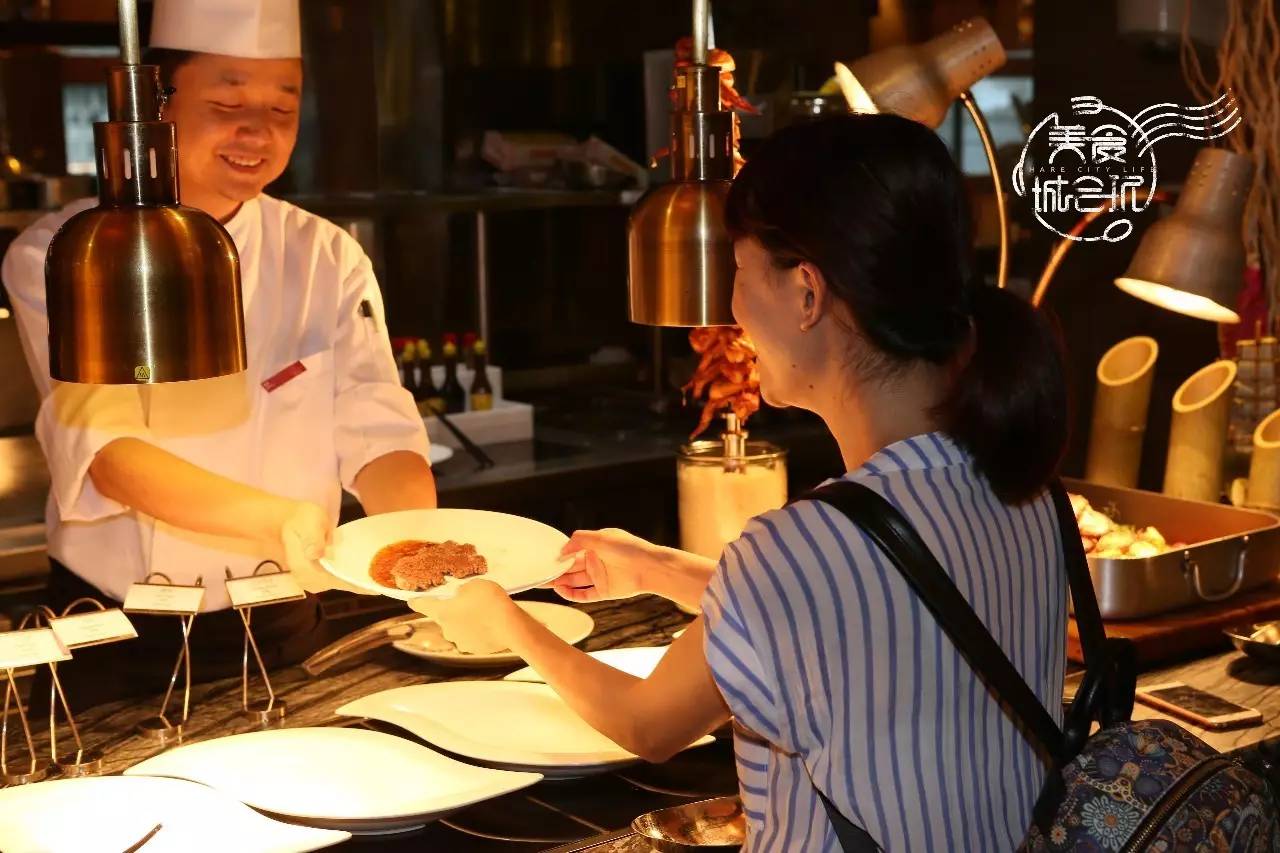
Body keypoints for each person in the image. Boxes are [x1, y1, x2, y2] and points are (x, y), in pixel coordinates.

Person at [421, 113, 1071, 851]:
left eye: (737, 271)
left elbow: (648, 722)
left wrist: (504, 620)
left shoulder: (801, 548)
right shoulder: (1030, 488)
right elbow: (868, 607)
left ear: (805, 294)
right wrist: (654, 567)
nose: (730, 313)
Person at [2, 0, 435, 707]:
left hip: (285, 632)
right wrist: (280, 519)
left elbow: (378, 428)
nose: (256, 130)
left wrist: (421, 545)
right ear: (156, 103)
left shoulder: (326, 255)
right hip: (114, 636)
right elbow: (106, 449)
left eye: (282, 108)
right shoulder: (64, 256)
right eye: (227, 100)